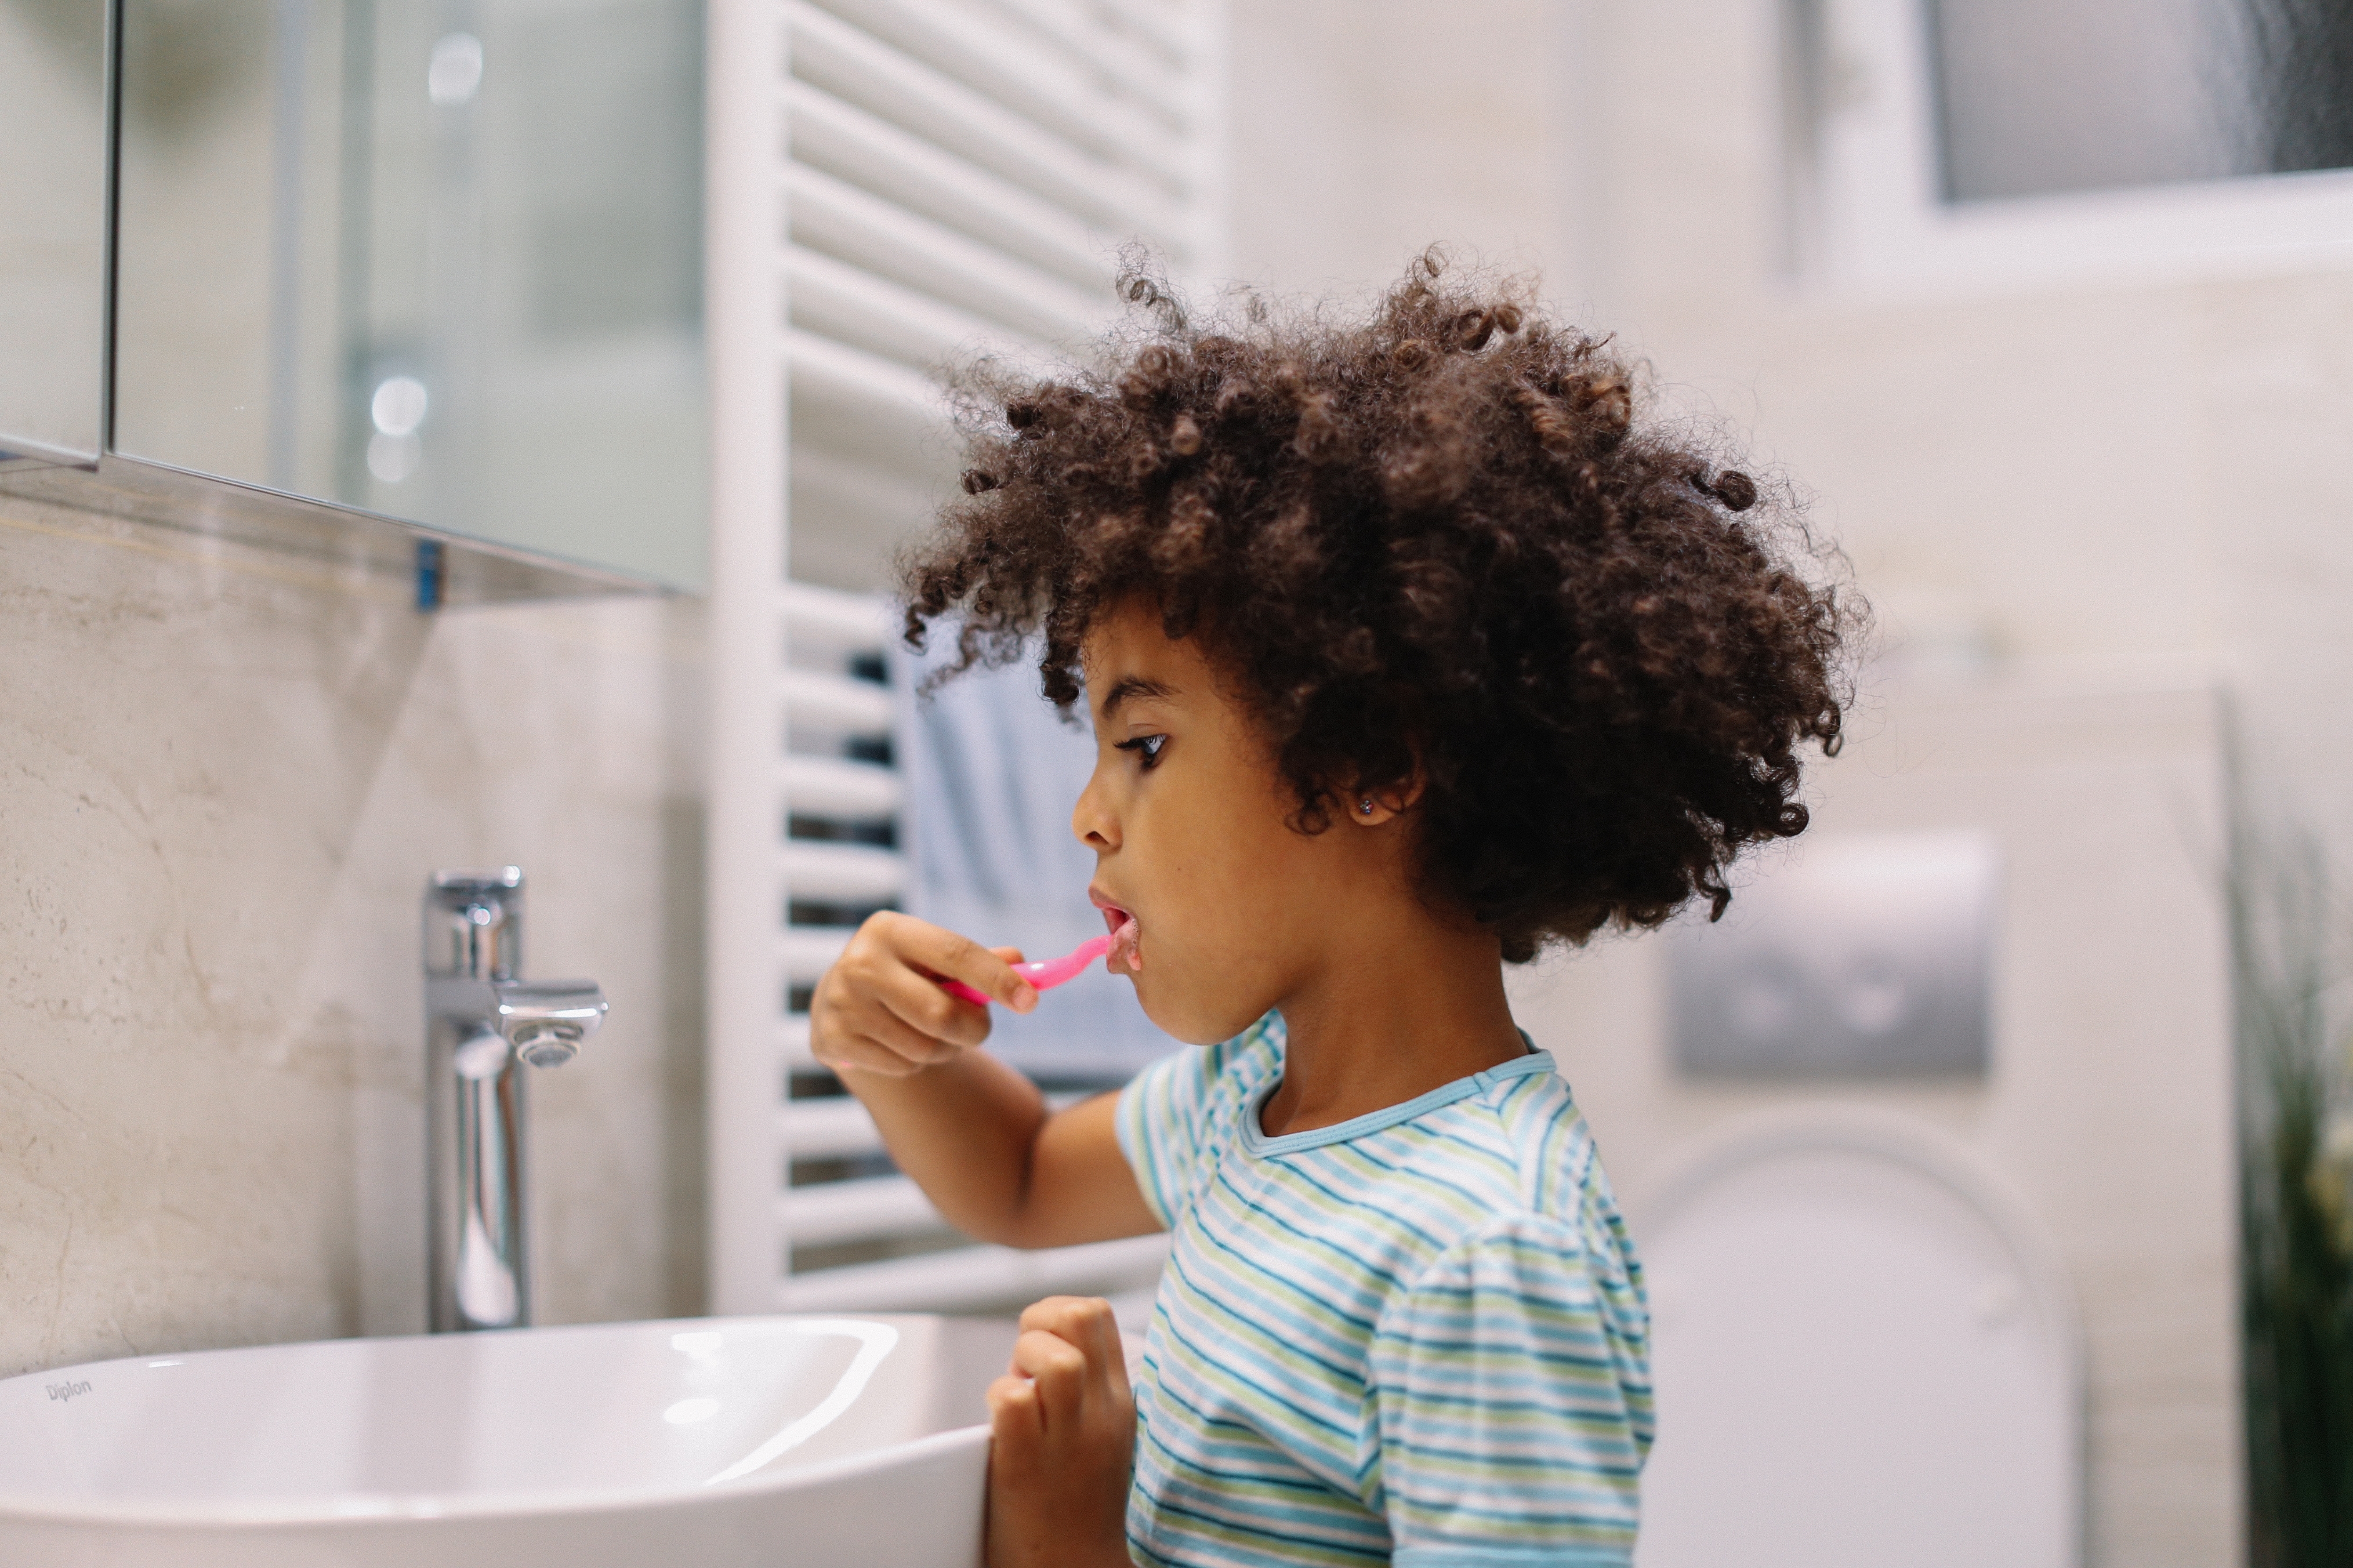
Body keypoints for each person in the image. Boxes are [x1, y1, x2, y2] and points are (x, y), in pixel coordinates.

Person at [808, 250, 1857, 1568]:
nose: (1086, 810)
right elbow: (1017, 1180)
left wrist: (1072, 1546)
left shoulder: (1484, 1250)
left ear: (1367, 763)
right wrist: (876, 1044)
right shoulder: (1248, 1098)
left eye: (1141, 746)